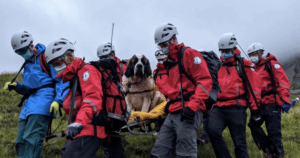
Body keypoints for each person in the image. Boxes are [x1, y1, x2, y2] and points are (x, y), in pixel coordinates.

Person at [45, 38, 125, 158]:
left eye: (58, 63)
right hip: (84, 126)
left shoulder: (86, 71)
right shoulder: (75, 76)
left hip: (89, 127)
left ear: (69, 56)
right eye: (53, 65)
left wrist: (79, 122)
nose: (56, 68)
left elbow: (92, 99)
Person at [150, 23, 213, 158]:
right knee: (159, 152)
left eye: (163, 44)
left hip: (189, 111)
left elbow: (205, 82)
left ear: (173, 39)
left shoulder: (189, 54)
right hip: (174, 110)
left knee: (185, 153)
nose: (162, 48)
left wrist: (192, 107)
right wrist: (169, 103)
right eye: (160, 46)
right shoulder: (171, 62)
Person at [3, 31, 68, 158]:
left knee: (32, 139)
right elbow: (28, 89)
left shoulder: (46, 58)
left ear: (31, 46)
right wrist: (17, 86)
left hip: (43, 101)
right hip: (28, 105)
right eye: (18, 52)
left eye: (22, 50)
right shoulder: (27, 64)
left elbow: (61, 80)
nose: (21, 54)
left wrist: (58, 100)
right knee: (20, 141)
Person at [208, 33, 262, 158]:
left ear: (233, 48)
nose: (224, 53)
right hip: (219, 107)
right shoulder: (217, 66)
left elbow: (254, 89)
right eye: (222, 51)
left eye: (226, 50)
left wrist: (255, 110)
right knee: (212, 131)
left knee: (239, 142)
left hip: (237, 107)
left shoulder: (244, 64)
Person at [247, 43, 291, 158]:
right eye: (250, 55)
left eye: (254, 54)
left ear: (260, 53)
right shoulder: (253, 69)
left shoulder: (272, 64)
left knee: (273, 132)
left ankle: (278, 155)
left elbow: (282, 82)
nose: (252, 57)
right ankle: (269, 150)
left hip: (272, 102)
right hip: (260, 104)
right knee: (253, 125)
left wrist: (284, 101)